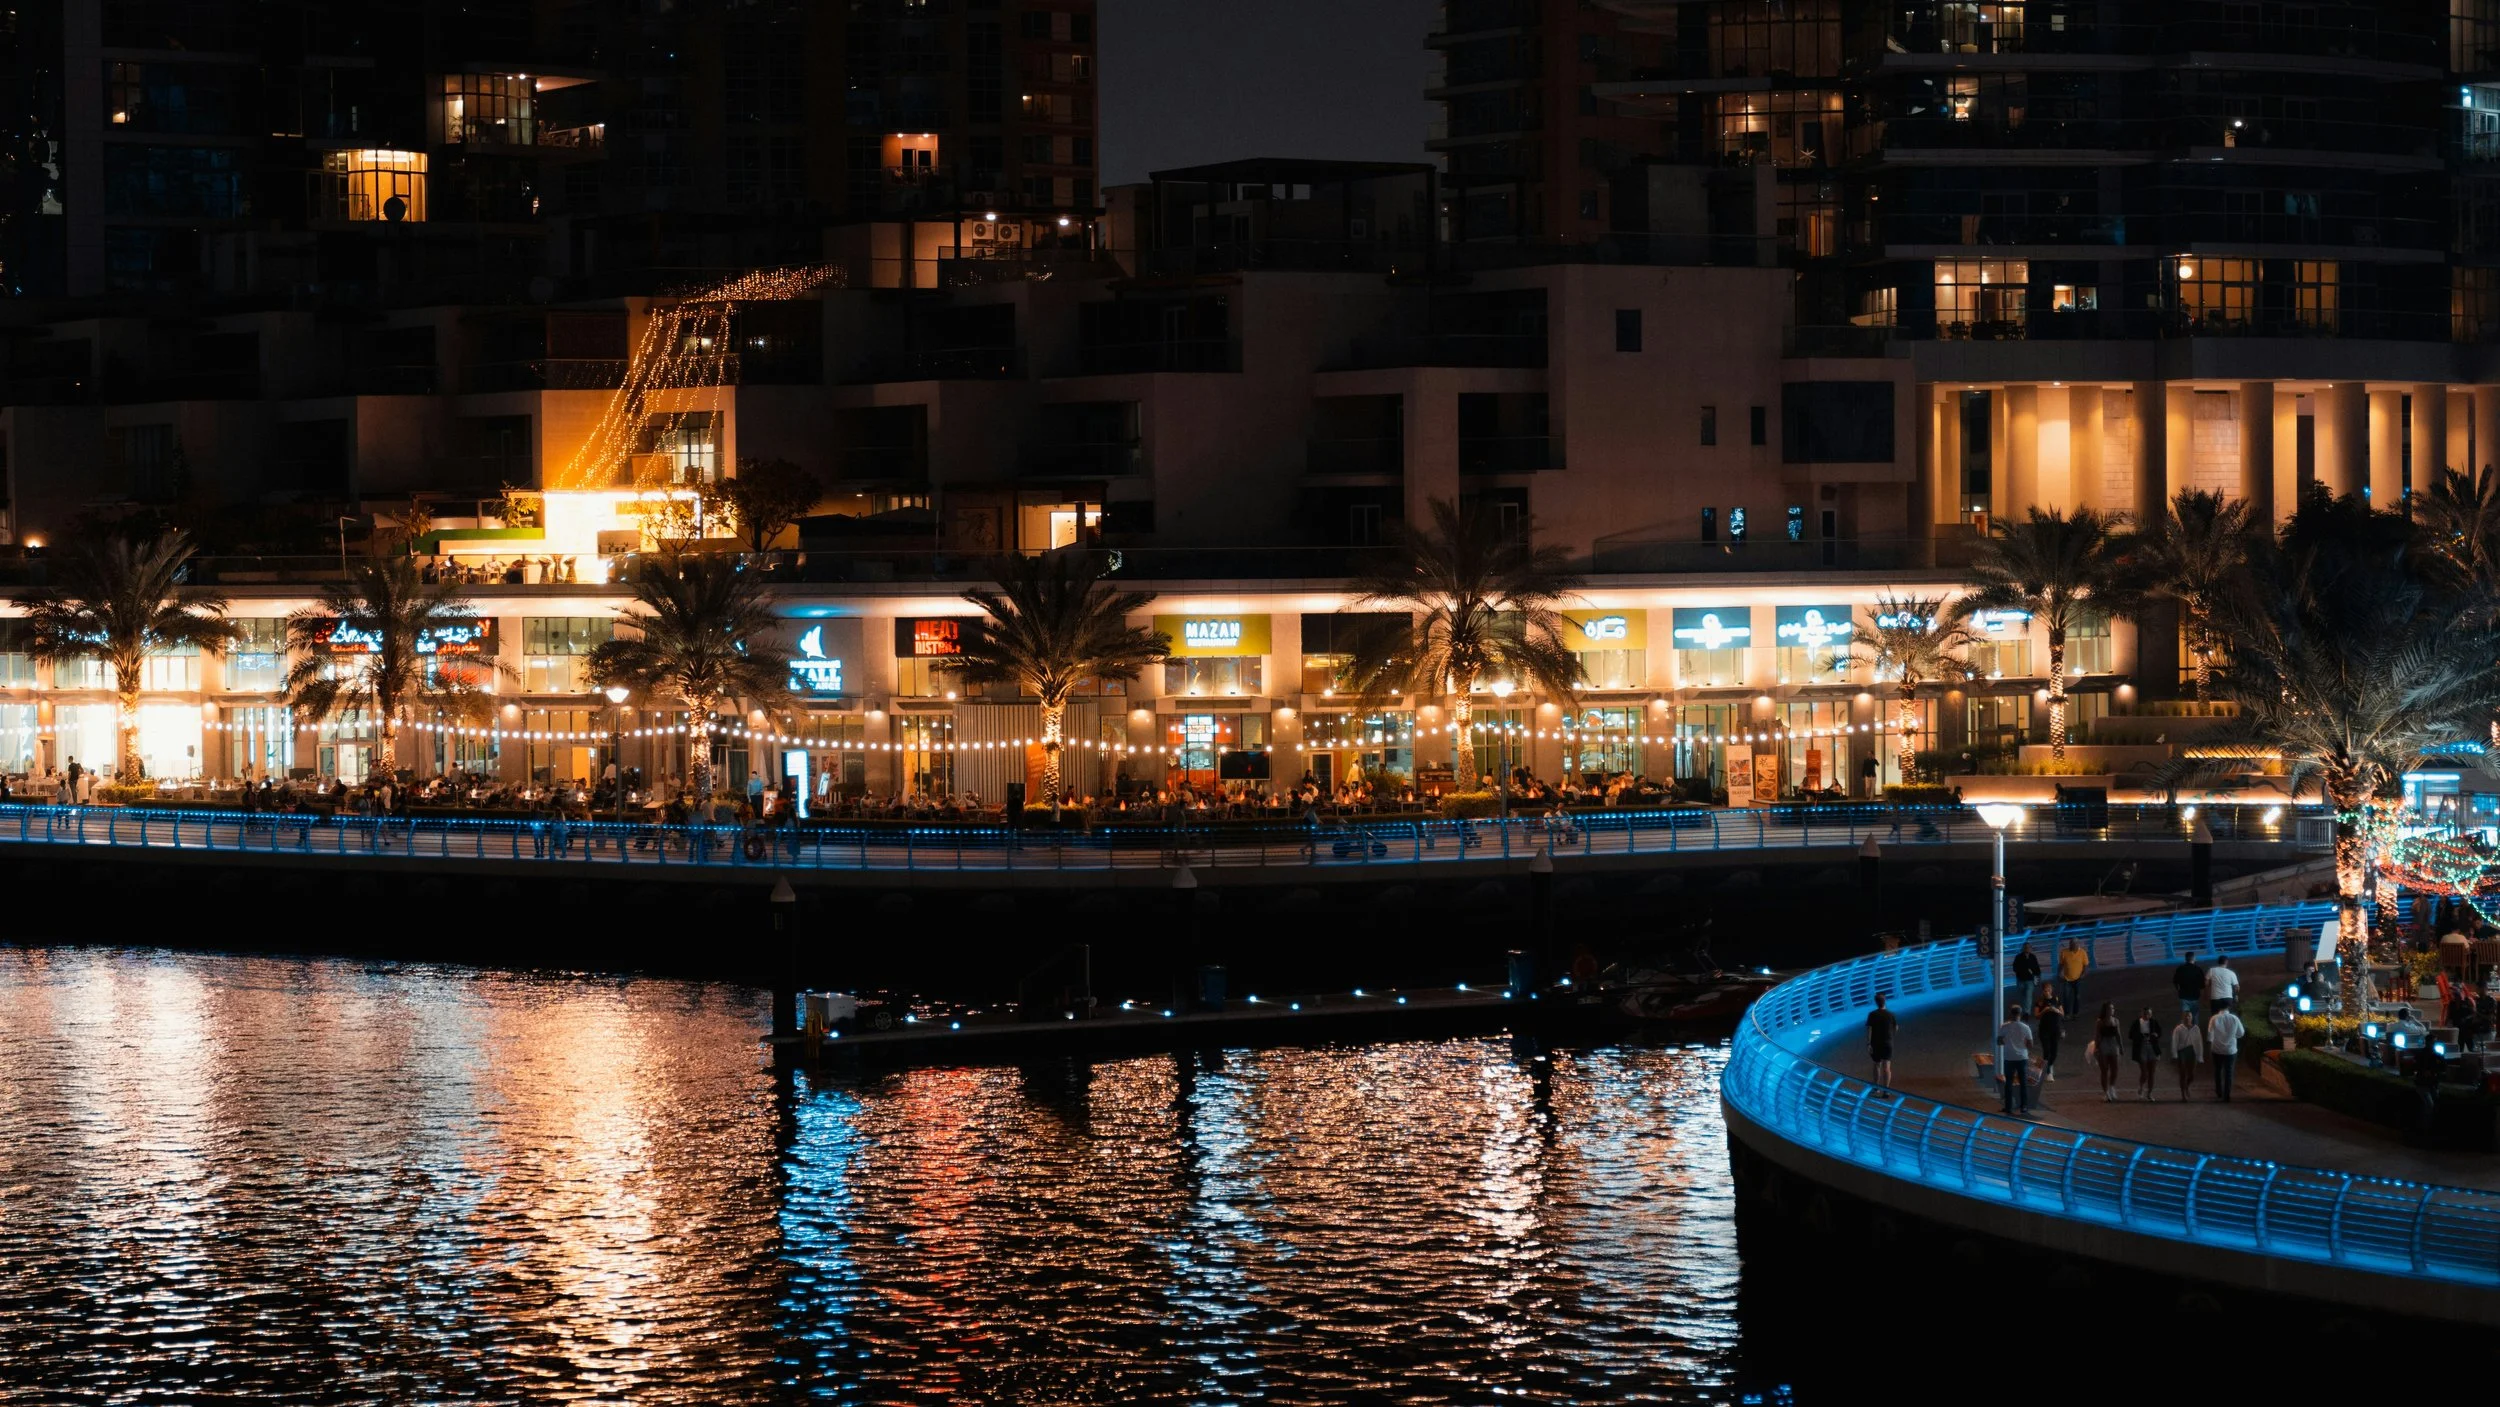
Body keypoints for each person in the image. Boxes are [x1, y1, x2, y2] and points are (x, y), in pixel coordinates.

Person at [1997, 1004, 2036, 1115]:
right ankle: (2024, 1106)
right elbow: (2030, 1045)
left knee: (2008, 1082)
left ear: (2010, 1013)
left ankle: (2008, 1107)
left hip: (2009, 1057)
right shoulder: (2025, 1027)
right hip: (2022, 1057)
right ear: (2020, 1014)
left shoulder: (2004, 1026)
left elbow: (1999, 1041)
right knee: (2023, 1082)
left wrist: (2008, 1043)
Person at [2206, 1002, 2245, 1102]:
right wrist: (2233, 1037)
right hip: (2230, 1050)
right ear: (2229, 1008)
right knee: (2229, 1072)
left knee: (2218, 1071)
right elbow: (2241, 1033)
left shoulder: (2214, 1018)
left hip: (2217, 1049)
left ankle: (2219, 1092)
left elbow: (2210, 1036)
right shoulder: (2234, 1018)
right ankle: (2227, 1095)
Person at [2128, 1005, 2165, 1101]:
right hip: (2141, 1048)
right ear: (2141, 1013)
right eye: (2145, 1013)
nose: (2147, 1015)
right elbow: (2131, 1035)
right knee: (2144, 1072)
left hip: (2152, 1047)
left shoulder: (2154, 1022)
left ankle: (2150, 1093)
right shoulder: (2136, 1023)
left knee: (2152, 1072)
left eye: (2149, 1014)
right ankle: (2141, 1086)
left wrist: (2156, 1035)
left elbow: (2159, 1032)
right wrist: (2140, 1036)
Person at [1866, 992, 1898, 1089]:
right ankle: (1886, 1090)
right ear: (1885, 1001)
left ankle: (1876, 1087)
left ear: (1876, 1002)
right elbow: (1896, 1027)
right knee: (1887, 1067)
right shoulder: (1891, 1014)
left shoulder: (1872, 1014)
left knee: (1877, 1065)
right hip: (1887, 1043)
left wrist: (1868, 1043)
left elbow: (1869, 1029)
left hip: (1875, 1043)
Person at [2170, 953, 2207, 1036]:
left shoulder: (2180, 969)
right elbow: (2202, 985)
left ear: (2185, 959)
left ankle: (2183, 1034)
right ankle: (2196, 1034)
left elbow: (2175, 982)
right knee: (2195, 1017)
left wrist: (2178, 990)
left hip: (2183, 996)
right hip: (2195, 996)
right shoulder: (2198, 969)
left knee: (2185, 1016)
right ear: (2194, 959)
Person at [2093, 1001, 2122, 1102]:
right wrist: (2096, 1048)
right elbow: (2097, 1035)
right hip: (2104, 1044)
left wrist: (2121, 1047)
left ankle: (2112, 1087)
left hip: (2113, 1044)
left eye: (2113, 1009)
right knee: (2104, 1070)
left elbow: (2118, 1035)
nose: (2111, 1011)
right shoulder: (2100, 1022)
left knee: (2115, 1068)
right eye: (2110, 1009)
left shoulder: (2116, 1021)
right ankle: (2105, 1092)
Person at [2170, 1009, 2202, 1099]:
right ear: (2183, 1017)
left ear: (2192, 1017)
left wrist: (2200, 1056)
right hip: (2182, 1051)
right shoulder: (2178, 1029)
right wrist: (2174, 1054)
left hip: (2192, 1051)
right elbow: (2174, 1041)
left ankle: (2186, 1086)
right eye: (2186, 1016)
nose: (2188, 1018)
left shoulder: (2196, 1029)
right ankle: (2183, 1093)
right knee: (2183, 1073)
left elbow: (2199, 1042)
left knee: (2191, 1075)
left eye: (2189, 1016)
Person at [2035, 991, 2065, 1083]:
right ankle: (2048, 1072)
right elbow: (2037, 1015)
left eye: (2048, 990)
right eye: (2045, 990)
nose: (2047, 992)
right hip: (2044, 1030)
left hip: (2055, 1030)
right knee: (2047, 1051)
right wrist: (2045, 1010)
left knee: (2054, 1052)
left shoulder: (2056, 999)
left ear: (2051, 990)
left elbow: (2062, 1014)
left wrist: (2056, 1010)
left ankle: (2046, 1065)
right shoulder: (2040, 1001)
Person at [2204, 953, 2240, 1017]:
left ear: (2218, 962)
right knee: (2228, 1017)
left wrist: (2208, 990)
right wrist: (2236, 995)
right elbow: (2237, 987)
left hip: (2215, 998)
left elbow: (2206, 982)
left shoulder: (2212, 970)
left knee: (2215, 1018)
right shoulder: (2231, 973)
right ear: (2226, 962)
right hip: (2228, 998)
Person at [2012, 941, 2042, 1014]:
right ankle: (2023, 1010)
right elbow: (2015, 967)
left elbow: (2037, 968)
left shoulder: (2033, 957)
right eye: (2026, 947)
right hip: (2021, 980)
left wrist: (2037, 975)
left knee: (2028, 997)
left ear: (2031, 948)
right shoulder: (2018, 957)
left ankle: (2026, 1012)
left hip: (2030, 980)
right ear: (2023, 948)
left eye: (2029, 947)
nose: (2027, 949)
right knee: (2022, 997)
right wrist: (2020, 972)